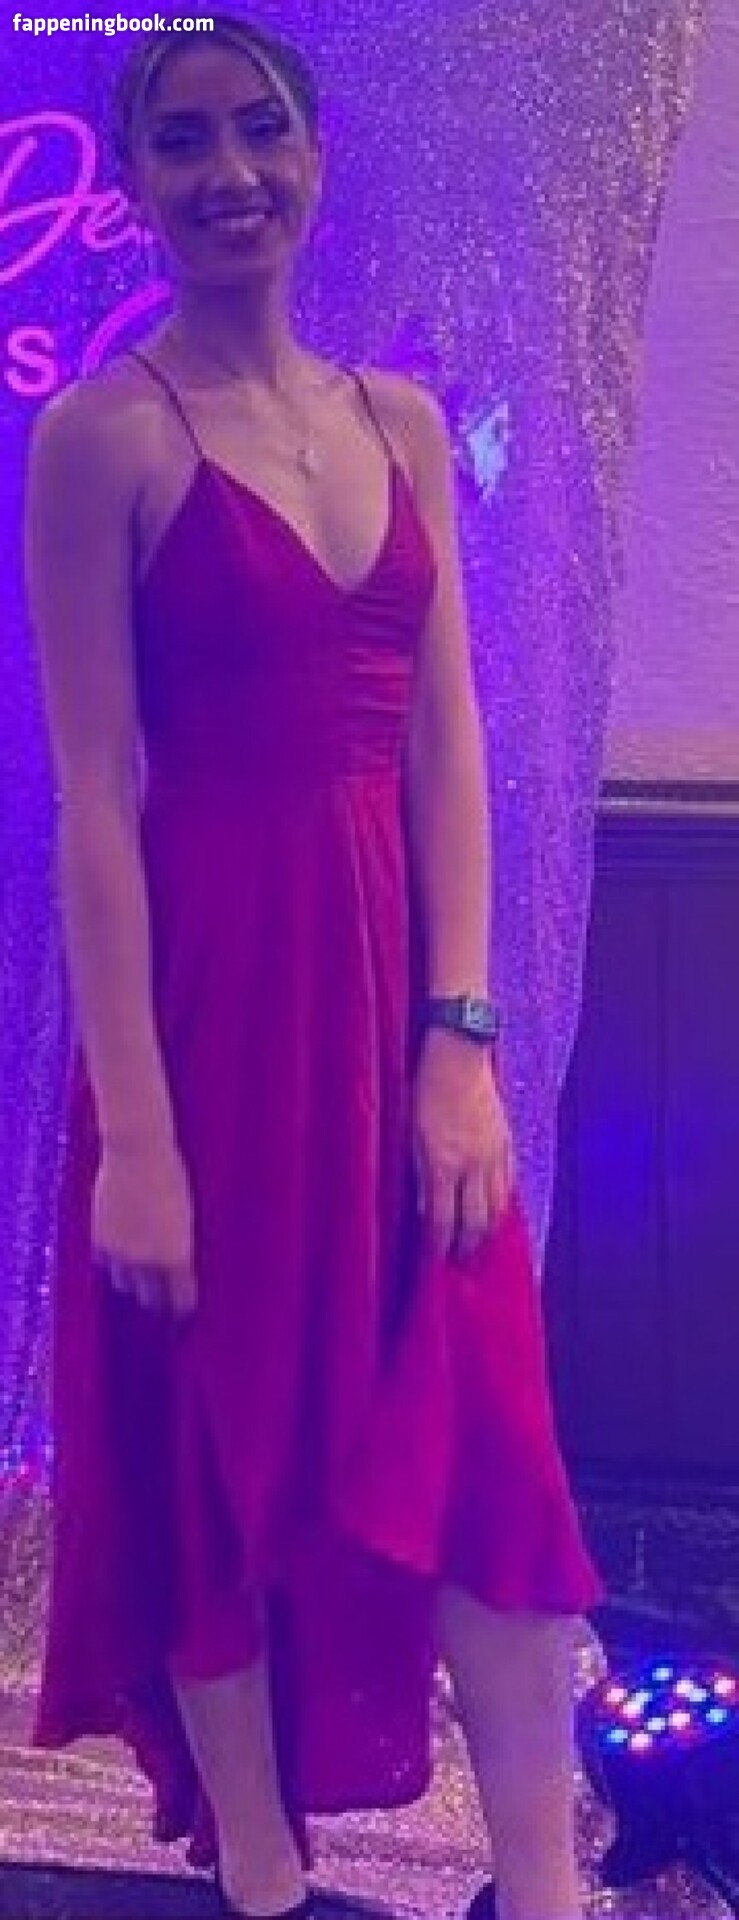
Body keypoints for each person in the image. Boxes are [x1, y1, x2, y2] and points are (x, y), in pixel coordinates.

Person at [24, 15, 602, 1920]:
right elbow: (94, 800)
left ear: (313, 155)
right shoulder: (98, 438)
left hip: (395, 997)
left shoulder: (400, 421)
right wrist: (139, 1142)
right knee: (221, 1433)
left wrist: (463, 1037)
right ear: (137, 182)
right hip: (210, 1014)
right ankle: (264, 1877)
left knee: (489, 1439)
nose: (229, 173)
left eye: (258, 130)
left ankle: (546, 1889)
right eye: (183, 142)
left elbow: (447, 745)